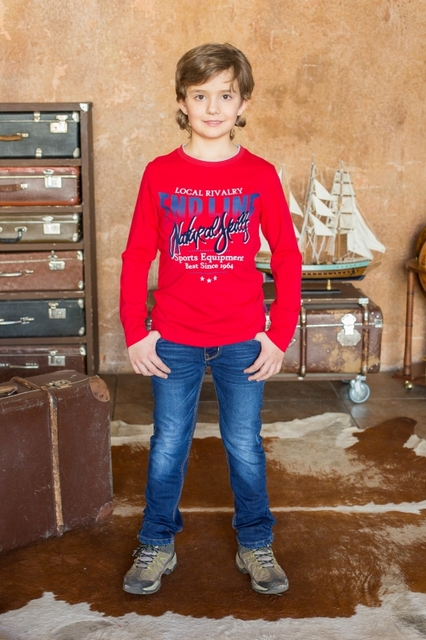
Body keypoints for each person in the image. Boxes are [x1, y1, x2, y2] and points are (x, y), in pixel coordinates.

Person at [119, 42, 302, 596]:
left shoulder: (260, 175)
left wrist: (278, 335)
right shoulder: (160, 173)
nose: (214, 107)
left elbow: (287, 256)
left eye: (226, 95)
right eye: (201, 96)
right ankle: (156, 540)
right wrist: (135, 332)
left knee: (243, 444)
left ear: (244, 104)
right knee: (168, 444)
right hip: (173, 338)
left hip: (243, 339)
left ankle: (255, 541)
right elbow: (136, 256)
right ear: (182, 102)